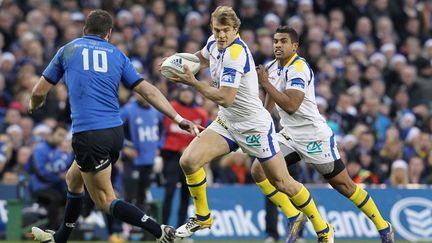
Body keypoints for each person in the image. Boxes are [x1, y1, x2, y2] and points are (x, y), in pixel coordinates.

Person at [29, 9, 201, 243]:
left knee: (105, 200)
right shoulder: (117, 54)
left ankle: (160, 232)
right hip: (114, 132)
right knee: (74, 178)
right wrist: (178, 118)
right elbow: (147, 89)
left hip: (89, 134)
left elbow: (39, 91)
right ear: (109, 34)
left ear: (84, 30)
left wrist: (33, 104)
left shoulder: (68, 50)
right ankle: (60, 238)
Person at [169, 6, 333, 242]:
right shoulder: (214, 43)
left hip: (254, 126)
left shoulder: (236, 54)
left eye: (226, 30)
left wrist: (193, 83)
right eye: (217, 30)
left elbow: (225, 97)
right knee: (189, 161)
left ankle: (322, 228)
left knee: (282, 182)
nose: (221, 35)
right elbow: (201, 59)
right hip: (227, 122)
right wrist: (175, 62)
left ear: (236, 30)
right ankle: (203, 216)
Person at [253, 26, 394, 243]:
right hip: (290, 134)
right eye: (275, 41)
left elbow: (291, 105)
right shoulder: (271, 67)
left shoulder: (299, 68)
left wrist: (265, 84)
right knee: (259, 170)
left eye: (283, 41)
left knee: (345, 186)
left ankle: (384, 228)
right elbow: (270, 103)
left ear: (295, 46)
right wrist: (261, 119)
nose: (278, 45)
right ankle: (299, 218)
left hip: (314, 137)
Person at [161, 86, 208, 228]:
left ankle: (181, 229)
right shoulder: (170, 110)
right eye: (184, 92)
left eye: (189, 92)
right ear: (178, 93)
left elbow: (203, 137)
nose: (187, 95)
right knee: (169, 192)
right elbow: (162, 131)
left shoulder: (201, 113)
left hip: (191, 159)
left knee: (186, 195)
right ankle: (163, 227)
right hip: (172, 157)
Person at [120, 93, 164, 210]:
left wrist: (159, 147)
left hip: (149, 158)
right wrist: (124, 147)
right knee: (129, 193)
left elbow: (162, 131)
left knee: (143, 194)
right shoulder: (127, 111)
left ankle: (139, 223)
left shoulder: (156, 112)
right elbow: (115, 128)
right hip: (132, 158)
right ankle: (126, 224)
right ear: (135, 93)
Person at [28, 123, 72, 230]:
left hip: (54, 187)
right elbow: (40, 173)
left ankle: (70, 228)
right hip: (39, 187)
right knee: (55, 198)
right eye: (60, 135)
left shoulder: (60, 151)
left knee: (75, 198)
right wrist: (59, 178)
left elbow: (64, 168)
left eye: (64, 136)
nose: (62, 139)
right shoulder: (40, 149)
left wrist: (70, 155)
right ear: (52, 134)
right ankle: (52, 230)